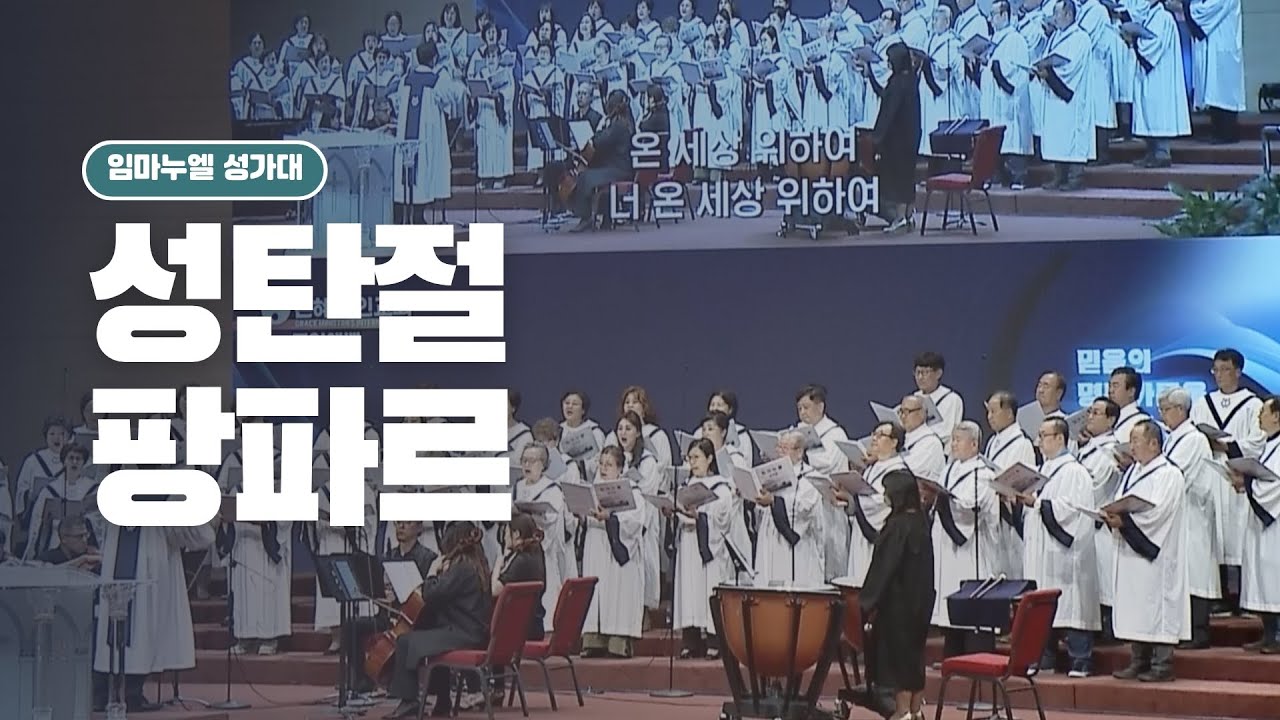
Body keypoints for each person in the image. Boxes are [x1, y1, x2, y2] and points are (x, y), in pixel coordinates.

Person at [1103, 420, 1188, 682]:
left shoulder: (1168, 474)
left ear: (1153, 443)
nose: (1132, 446)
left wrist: (1126, 522)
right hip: (1130, 552)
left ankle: (1162, 664)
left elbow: (1159, 513)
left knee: (1156, 605)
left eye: (1136, 441)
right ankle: (1138, 660)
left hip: (1156, 552)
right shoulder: (1132, 472)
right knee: (1136, 606)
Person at [1015, 417, 1100, 677]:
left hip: (1065, 554)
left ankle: (1080, 660)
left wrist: (1037, 503)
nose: (1038, 441)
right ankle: (1046, 658)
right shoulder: (1042, 471)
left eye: (1043, 435)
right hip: (1041, 552)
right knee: (1043, 603)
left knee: (1071, 605)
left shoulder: (1073, 472)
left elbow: (1072, 510)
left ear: (1060, 438)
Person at [384, 522, 494, 720]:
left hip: (464, 634)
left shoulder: (462, 568)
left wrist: (433, 571)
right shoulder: (477, 563)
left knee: (406, 641)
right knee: (429, 635)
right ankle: (442, 701)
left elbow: (431, 593)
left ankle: (409, 701)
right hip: (472, 630)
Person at [1190, 348, 1265, 615]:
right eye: (1216, 370)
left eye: (1225, 369)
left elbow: (1258, 440)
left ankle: (1243, 595)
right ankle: (1220, 594)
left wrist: (1227, 446)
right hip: (1211, 473)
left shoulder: (1253, 405)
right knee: (1215, 532)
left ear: (1238, 371)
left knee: (1239, 531)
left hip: (1237, 475)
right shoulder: (1203, 403)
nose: (1219, 375)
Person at [860, 470, 935, 720]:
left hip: (898, 606)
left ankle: (902, 713)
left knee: (900, 660)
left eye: (887, 491)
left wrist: (867, 601)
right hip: (921, 602)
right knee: (915, 658)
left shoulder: (897, 526)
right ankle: (915, 710)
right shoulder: (921, 522)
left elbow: (884, 567)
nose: (885, 495)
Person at [1158, 387, 1220, 649]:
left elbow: (1175, 473)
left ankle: (1199, 631)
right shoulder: (1174, 438)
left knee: (1195, 572)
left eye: (1165, 409)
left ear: (1181, 410)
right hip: (1178, 516)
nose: (1162, 414)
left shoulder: (1193, 439)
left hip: (1193, 515)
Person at [578, 446, 647, 658]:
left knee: (617, 593)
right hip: (596, 545)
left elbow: (635, 522)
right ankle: (594, 640)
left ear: (620, 468)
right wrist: (581, 514)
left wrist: (610, 518)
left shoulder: (632, 492)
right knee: (597, 593)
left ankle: (618, 642)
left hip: (617, 551)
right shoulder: (592, 490)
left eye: (609, 464)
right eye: (601, 463)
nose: (603, 468)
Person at [1234, 396, 1280, 652]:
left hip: (1276, 523)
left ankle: (1278, 636)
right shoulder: (1267, 444)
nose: (1259, 416)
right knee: (1262, 577)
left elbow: (1275, 484)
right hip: (1262, 522)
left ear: (1277, 416)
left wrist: (1248, 483)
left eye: (1264, 411)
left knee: (1275, 577)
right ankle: (1268, 633)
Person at [1122, 0, 1191, 168]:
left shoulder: (1163, 17)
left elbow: (1154, 44)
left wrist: (1134, 40)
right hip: (1148, 74)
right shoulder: (1148, 15)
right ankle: (1151, 151)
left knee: (1159, 111)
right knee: (1148, 110)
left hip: (1161, 74)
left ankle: (1162, 153)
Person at [1036, 0, 1093, 191]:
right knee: (1057, 135)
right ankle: (1059, 176)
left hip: (1072, 97)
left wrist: (1050, 74)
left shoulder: (1080, 38)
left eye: (1057, 13)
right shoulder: (1056, 36)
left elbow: (1071, 68)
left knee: (1072, 135)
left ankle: (1075, 178)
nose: (1054, 18)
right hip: (1054, 96)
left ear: (1069, 14)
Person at [489, 514, 548, 698]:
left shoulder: (520, 560)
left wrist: (498, 562)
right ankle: (495, 686)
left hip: (520, 631)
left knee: (482, 629)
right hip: (534, 624)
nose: (504, 536)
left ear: (516, 534)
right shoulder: (537, 553)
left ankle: (489, 686)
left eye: (506, 532)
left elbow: (495, 589)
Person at [869, 42, 921, 232]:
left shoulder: (898, 83)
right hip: (911, 138)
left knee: (898, 180)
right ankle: (908, 215)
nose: (888, 63)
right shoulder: (911, 79)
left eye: (890, 59)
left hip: (897, 141)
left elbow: (888, 112)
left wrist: (876, 138)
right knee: (907, 178)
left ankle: (899, 218)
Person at [568, 89, 636, 232]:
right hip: (618, 167)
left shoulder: (618, 125)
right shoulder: (626, 122)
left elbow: (601, 141)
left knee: (585, 177)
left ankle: (586, 217)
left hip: (619, 170)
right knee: (594, 173)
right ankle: (605, 218)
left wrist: (597, 132)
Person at [1183, 0, 1244, 144]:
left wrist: (1187, 5)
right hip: (1216, 45)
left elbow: (1208, 11)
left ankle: (1226, 133)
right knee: (1214, 91)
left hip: (1224, 47)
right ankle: (1217, 131)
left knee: (1223, 92)